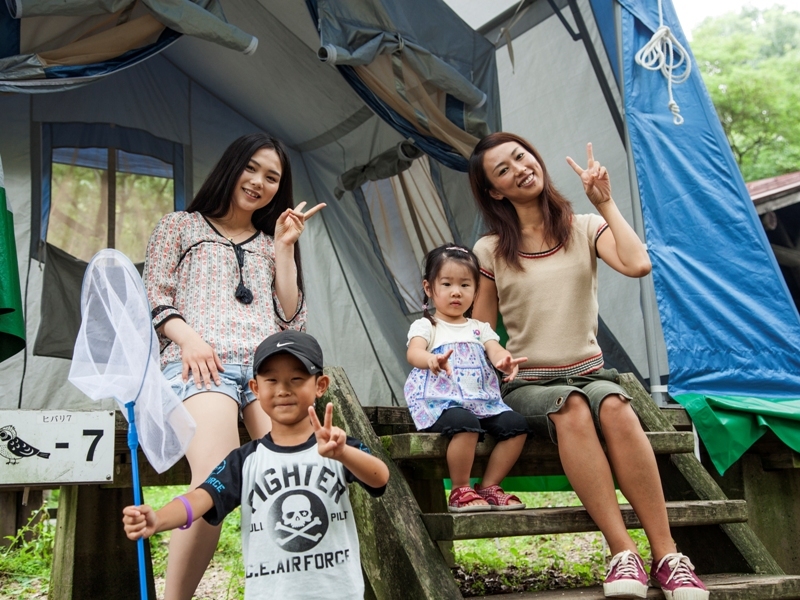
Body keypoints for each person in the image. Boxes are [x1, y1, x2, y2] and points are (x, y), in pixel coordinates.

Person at [469, 132, 708, 600]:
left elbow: (639, 264)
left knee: (617, 405)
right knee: (572, 408)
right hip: (529, 384)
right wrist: (493, 350)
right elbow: (479, 326)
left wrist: (606, 203)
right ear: (495, 191)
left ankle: (668, 557)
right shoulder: (490, 249)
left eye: (521, 156)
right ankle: (622, 553)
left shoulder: (583, 227)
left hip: (590, 372)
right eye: (503, 170)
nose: (519, 168)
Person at [143, 133, 325, 599]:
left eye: (272, 177)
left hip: (267, 371)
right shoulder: (180, 226)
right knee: (216, 481)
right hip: (202, 365)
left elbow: (290, 319)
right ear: (232, 166)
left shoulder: (271, 242)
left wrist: (285, 248)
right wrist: (189, 339)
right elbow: (154, 299)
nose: (259, 182)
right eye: (252, 168)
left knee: (295, 475)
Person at [122, 330, 389, 600]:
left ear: (320, 385)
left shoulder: (336, 447)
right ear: (255, 389)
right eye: (271, 380)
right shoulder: (245, 461)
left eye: (296, 379)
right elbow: (199, 499)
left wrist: (344, 454)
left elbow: (380, 478)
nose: (283, 389)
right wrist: (158, 519)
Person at [405, 243, 529, 512]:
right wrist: (430, 360)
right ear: (429, 288)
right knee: (465, 422)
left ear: (476, 290)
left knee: (517, 425)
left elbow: (495, 349)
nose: (456, 292)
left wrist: (504, 361)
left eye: (465, 285)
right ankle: (460, 489)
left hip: (482, 401)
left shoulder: (479, 328)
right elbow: (414, 353)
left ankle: (489, 486)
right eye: (447, 284)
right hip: (441, 401)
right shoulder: (427, 325)